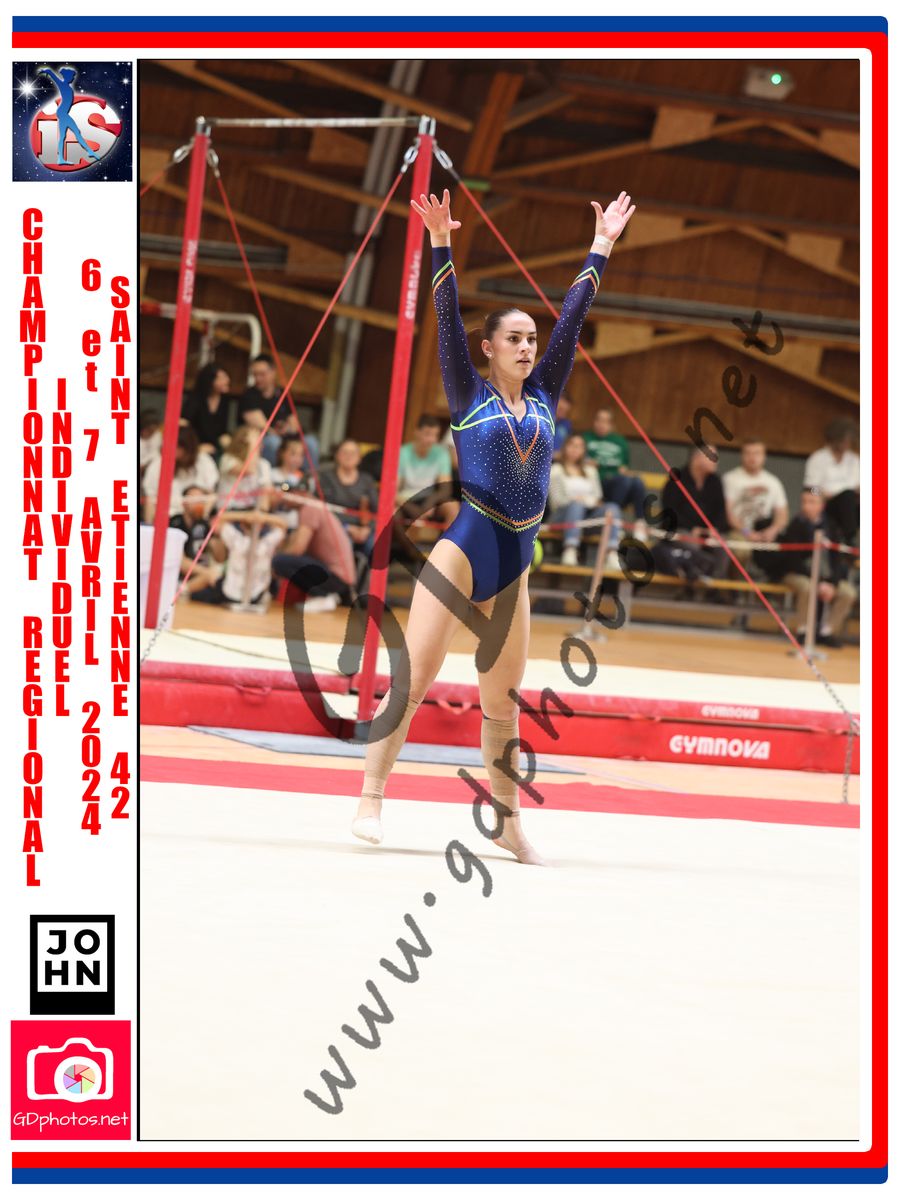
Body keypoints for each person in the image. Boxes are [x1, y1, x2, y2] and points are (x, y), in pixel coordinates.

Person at [352, 186, 634, 864]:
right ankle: (371, 796)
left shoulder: (545, 394)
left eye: (532, 339)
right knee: (412, 683)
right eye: (515, 338)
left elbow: (572, 321)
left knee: (503, 706)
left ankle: (507, 824)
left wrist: (600, 248)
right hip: (462, 554)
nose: (529, 347)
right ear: (488, 348)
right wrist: (440, 243)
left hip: (513, 568)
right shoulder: (466, 393)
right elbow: (445, 318)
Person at [765, 487, 857, 648]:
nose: (807, 506)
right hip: (798, 574)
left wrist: (832, 583)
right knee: (807, 588)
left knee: (848, 592)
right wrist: (818, 582)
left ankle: (827, 631)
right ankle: (803, 630)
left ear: (821, 505)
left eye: (812, 502)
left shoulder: (831, 527)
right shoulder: (796, 525)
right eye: (804, 502)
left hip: (825, 577)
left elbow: (837, 560)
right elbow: (793, 561)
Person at [654, 445, 729, 582]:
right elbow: (670, 511)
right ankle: (690, 584)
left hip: (707, 532)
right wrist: (692, 528)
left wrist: (714, 529)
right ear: (696, 458)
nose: (716, 460)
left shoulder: (715, 481)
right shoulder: (676, 479)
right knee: (692, 544)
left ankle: (715, 585)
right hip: (680, 530)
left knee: (723, 546)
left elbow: (721, 511)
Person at [271, 498, 357, 614]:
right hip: (340, 577)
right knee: (282, 560)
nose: (284, 498)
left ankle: (321, 596)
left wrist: (274, 560)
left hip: (336, 578)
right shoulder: (316, 508)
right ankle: (324, 596)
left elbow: (297, 548)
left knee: (279, 561)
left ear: (300, 494)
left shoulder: (310, 508)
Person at [548, 433, 620, 566]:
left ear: (584, 450)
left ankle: (612, 553)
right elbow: (556, 501)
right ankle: (570, 548)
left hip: (587, 517)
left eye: (579, 446)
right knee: (576, 505)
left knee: (612, 508)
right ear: (565, 447)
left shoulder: (591, 471)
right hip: (563, 516)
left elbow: (598, 498)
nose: (575, 449)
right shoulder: (556, 470)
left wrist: (584, 501)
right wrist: (578, 501)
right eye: (572, 445)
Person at [723, 439, 789, 567]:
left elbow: (782, 514)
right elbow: (729, 514)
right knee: (741, 550)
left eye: (757, 453)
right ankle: (736, 580)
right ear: (742, 455)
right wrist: (747, 533)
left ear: (764, 456)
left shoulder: (773, 482)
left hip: (764, 531)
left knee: (783, 550)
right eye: (748, 453)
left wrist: (773, 530)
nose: (752, 458)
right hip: (738, 531)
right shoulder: (730, 479)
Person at [238, 353, 308, 467]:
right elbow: (263, 428)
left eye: (262, 374)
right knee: (273, 442)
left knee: (310, 443)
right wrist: (281, 432)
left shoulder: (283, 394)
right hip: (262, 440)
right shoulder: (249, 395)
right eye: (255, 374)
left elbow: (295, 425)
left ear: (273, 372)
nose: (258, 378)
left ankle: (305, 476)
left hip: (284, 438)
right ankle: (274, 475)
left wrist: (287, 428)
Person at [142, 425, 218, 524]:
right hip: (167, 518)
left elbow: (211, 494)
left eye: (177, 447)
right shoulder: (157, 464)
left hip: (196, 517)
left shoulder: (204, 461)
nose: (173, 450)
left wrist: (202, 520)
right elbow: (150, 498)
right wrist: (150, 526)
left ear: (188, 448)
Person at [583, 407, 647, 521]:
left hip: (618, 481)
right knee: (624, 481)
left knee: (637, 481)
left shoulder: (620, 441)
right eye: (599, 420)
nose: (601, 424)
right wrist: (585, 462)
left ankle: (640, 521)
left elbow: (624, 466)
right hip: (598, 481)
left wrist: (626, 472)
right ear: (594, 422)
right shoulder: (586, 438)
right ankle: (612, 517)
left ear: (611, 425)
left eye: (606, 421)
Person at [803, 418, 860, 544]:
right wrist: (822, 493)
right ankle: (850, 539)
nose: (847, 444)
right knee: (847, 496)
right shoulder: (818, 459)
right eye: (844, 441)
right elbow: (810, 489)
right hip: (828, 503)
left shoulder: (854, 460)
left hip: (852, 503)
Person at [320, 438, 379, 558]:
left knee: (374, 546)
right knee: (344, 543)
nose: (348, 456)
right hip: (335, 526)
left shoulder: (367, 480)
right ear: (337, 456)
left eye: (353, 453)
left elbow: (377, 510)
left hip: (363, 528)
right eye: (344, 452)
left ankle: (366, 571)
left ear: (359, 458)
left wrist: (368, 529)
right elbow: (323, 509)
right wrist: (347, 527)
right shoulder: (326, 478)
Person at [397, 413, 459, 525]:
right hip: (406, 499)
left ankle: (446, 537)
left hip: (430, 499)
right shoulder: (402, 453)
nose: (432, 440)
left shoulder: (441, 454)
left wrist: (429, 505)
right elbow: (393, 491)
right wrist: (412, 508)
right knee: (392, 513)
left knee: (452, 507)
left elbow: (445, 488)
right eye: (427, 434)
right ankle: (401, 538)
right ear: (417, 432)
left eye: (435, 435)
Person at [182, 363, 233, 455]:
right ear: (209, 381)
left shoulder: (225, 399)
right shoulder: (195, 399)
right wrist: (196, 447)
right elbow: (183, 425)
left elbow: (222, 430)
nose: (227, 380)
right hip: (195, 446)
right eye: (220, 378)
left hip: (215, 445)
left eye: (226, 377)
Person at [551, 394, 574, 458]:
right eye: (561, 409)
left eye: (566, 411)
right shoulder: (542, 421)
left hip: (560, 460)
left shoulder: (567, 424)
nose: (563, 413)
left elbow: (569, 444)